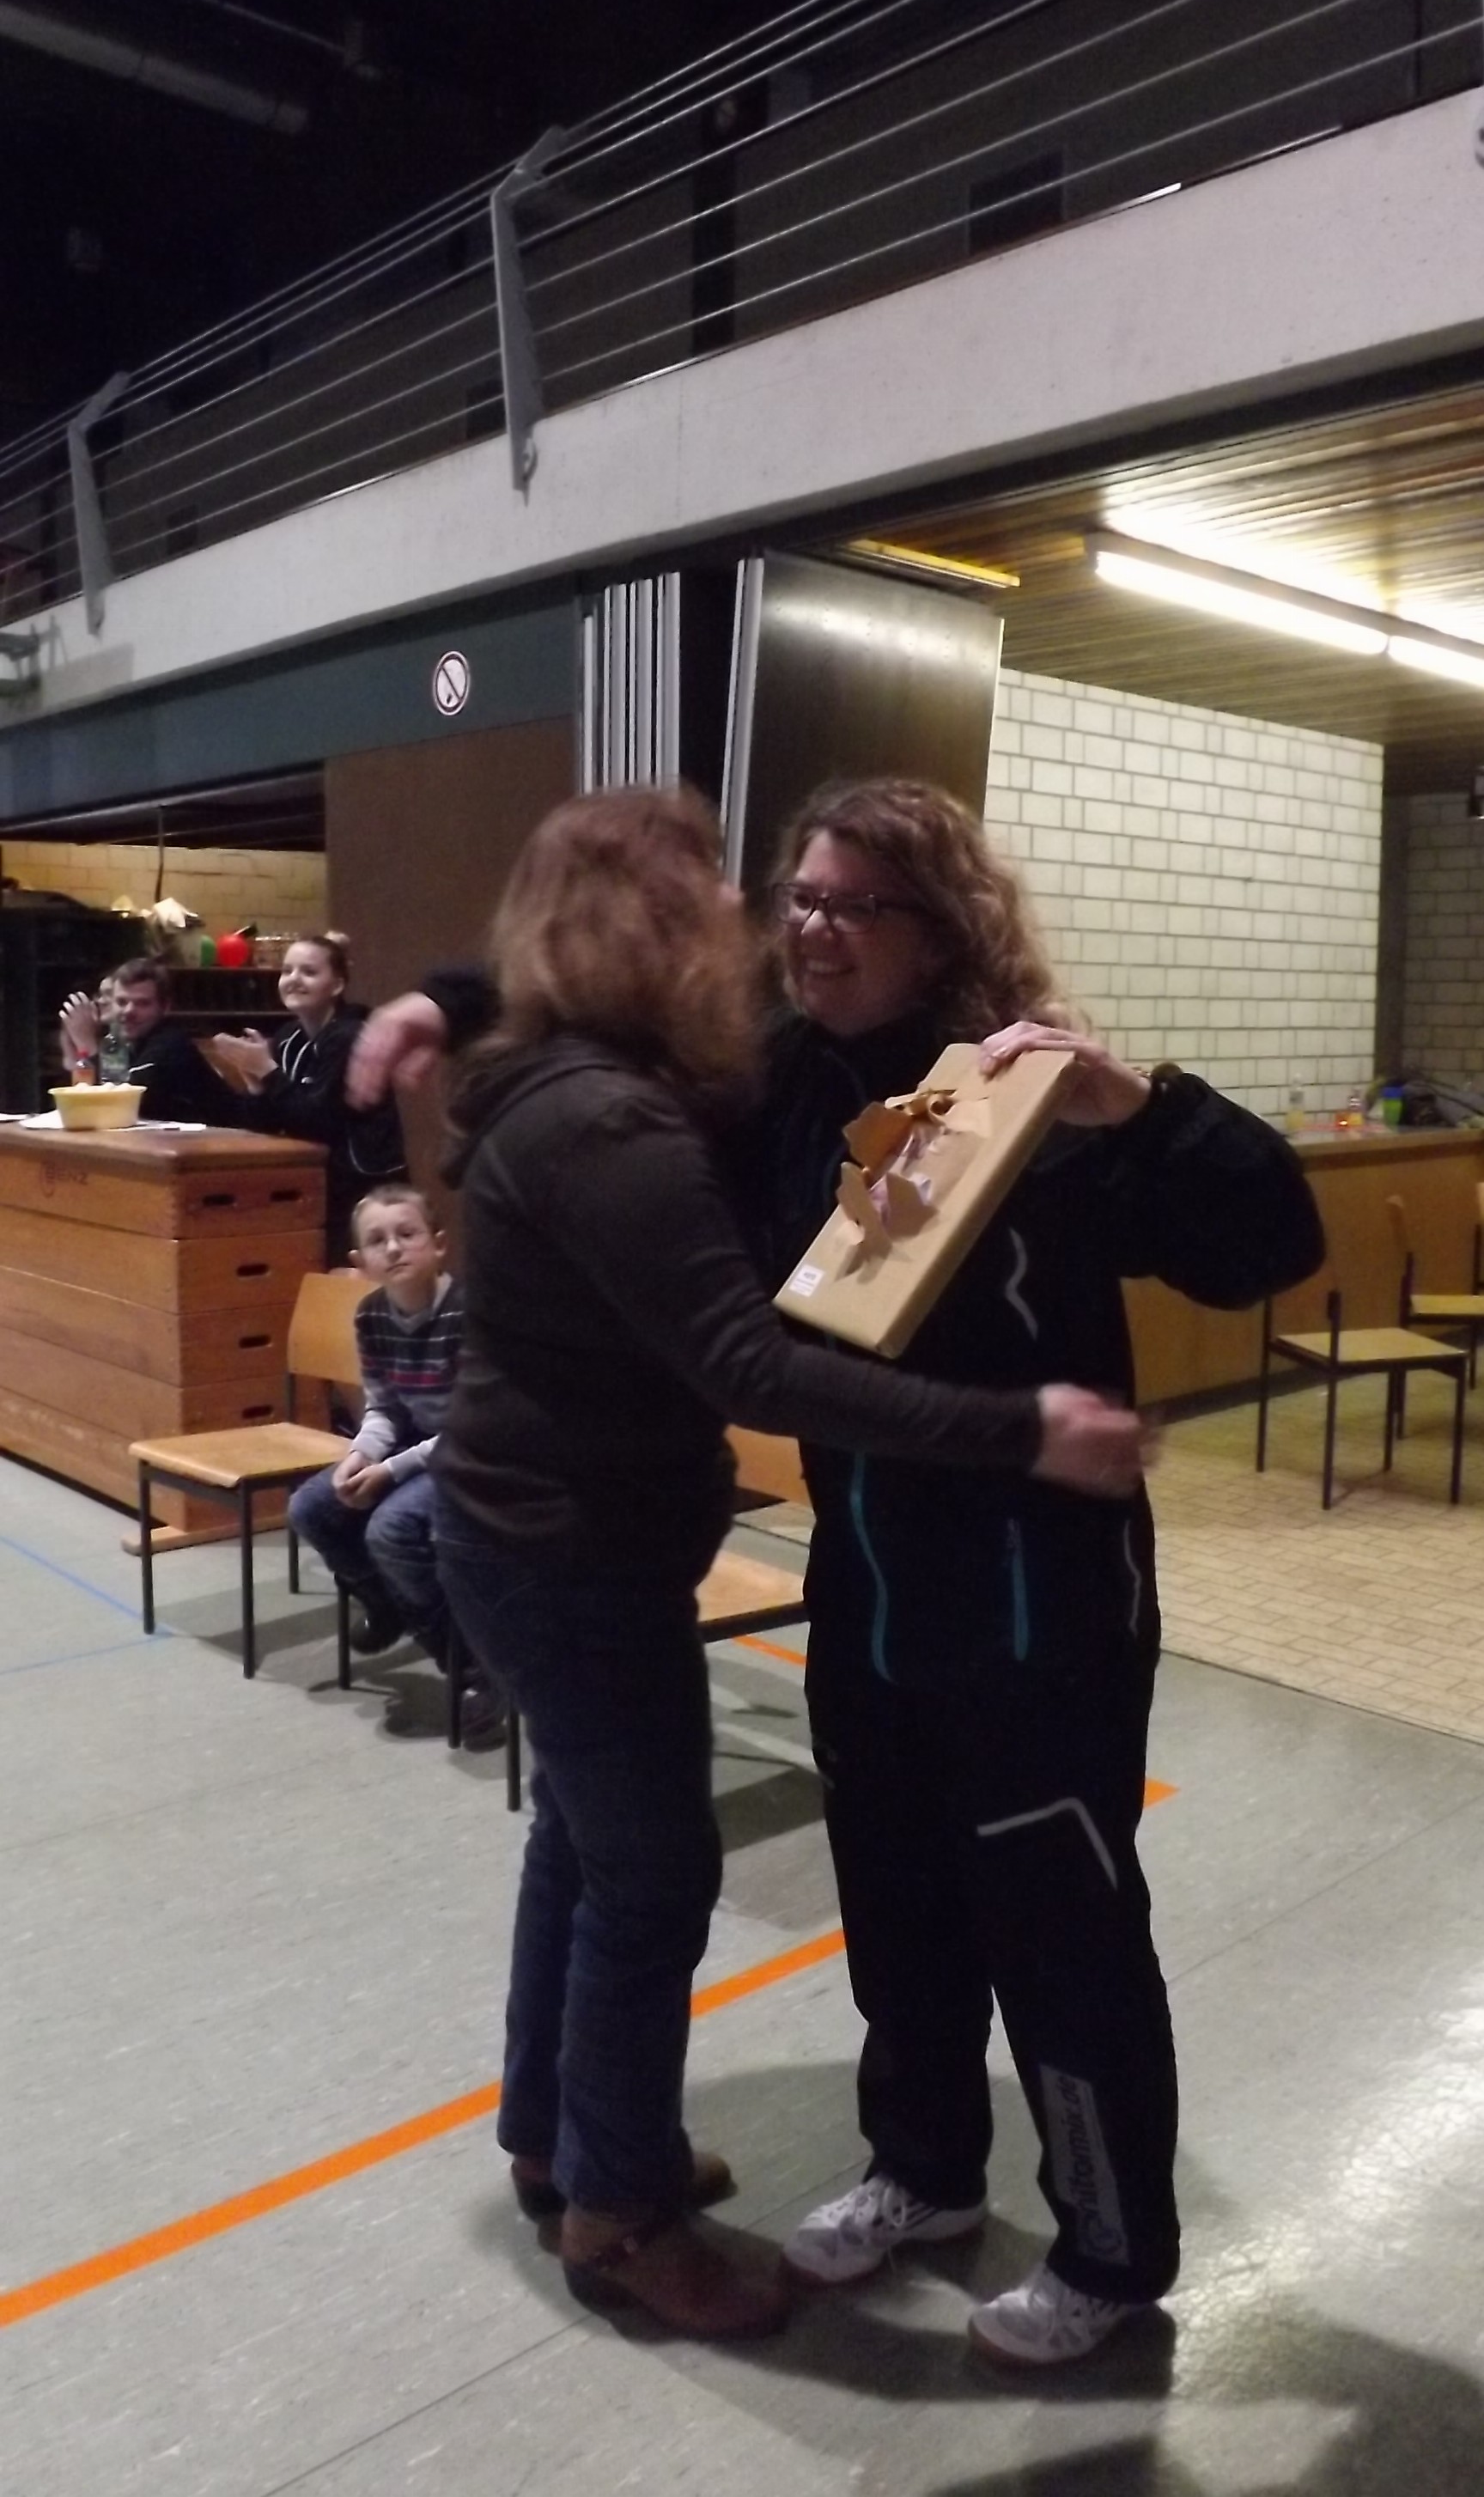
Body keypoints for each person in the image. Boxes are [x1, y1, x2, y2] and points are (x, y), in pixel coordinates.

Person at [350, 774, 1323, 2371]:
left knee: (1059, 1930)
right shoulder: (782, 1082)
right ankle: (923, 2167)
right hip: (867, 1582)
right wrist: (438, 1000)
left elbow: (1267, 1242)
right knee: (898, 1902)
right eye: (797, 898)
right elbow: (593, 987)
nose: (808, 930)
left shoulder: (1025, 1091)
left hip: (1035, 1598)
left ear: (940, 927)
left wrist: (1142, 1107)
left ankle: (1106, 2248)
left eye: (852, 905)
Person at [287, 1183, 501, 1740]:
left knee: (391, 1528)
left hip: (476, 1453)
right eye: (378, 1240)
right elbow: (382, 1408)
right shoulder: (371, 1316)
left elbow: (470, 1425)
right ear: (360, 1261)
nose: (395, 1248)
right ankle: (386, 1601)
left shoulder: (470, 1312)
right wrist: (360, 1454)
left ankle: (476, 1671)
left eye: (408, 1233)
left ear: (439, 1244)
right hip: (416, 1444)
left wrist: (389, 1471)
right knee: (312, 1508)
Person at [213, 933, 408, 1264]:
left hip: (361, 1189)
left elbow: (318, 1120)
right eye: (287, 971)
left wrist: (267, 1071)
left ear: (337, 985)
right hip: (309, 1181)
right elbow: (267, 1124)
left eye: (309, 972)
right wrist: (254, 1080)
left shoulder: (350, 1036)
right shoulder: (288, 1038)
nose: (294, 979)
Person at [59, 954, 239, 1124]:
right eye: (121, 1002)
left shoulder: (170, 1045)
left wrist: (86, 1045)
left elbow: (124, 1103)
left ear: (165, 1007)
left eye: (143, 1003)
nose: (129, 1011)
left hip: (233, 1139)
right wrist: (73, 1042)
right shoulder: (125, 1042)